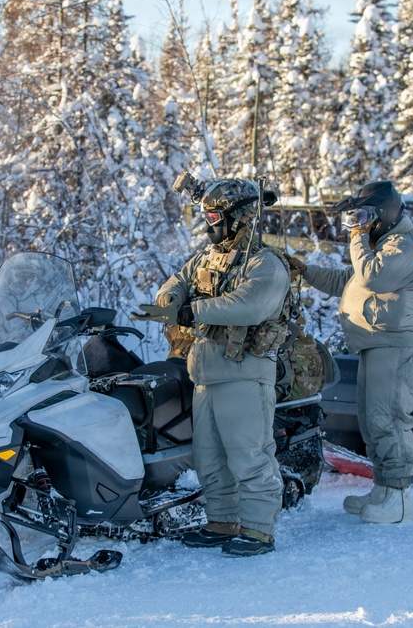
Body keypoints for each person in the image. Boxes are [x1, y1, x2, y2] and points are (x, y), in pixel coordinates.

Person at [132, 174, 290, 557]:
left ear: (238, 217)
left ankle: (257, 530)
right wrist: (170, 298)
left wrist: (191, 310)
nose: (209, 222)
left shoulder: (265, 264)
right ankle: (222, 520)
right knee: (209, 456)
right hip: (205, 372)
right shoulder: (208, 257)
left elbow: (249, 305)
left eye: (215, 214)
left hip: (244, 372)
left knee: (249, 454)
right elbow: (177, 281)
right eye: (206, 214)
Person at [287, 180, 413, 524]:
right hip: (375, 345)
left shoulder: (404, 248)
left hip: (394, 347)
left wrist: (356, 236)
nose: (357, 225)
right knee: (373, 422)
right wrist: (305, 272)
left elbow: (371, 278)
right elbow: (347, 280)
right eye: (354, 219)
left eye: (363, 217)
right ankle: (383, 489)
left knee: (390, 421)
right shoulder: (383, 247)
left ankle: (399, 498)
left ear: (383, 214)